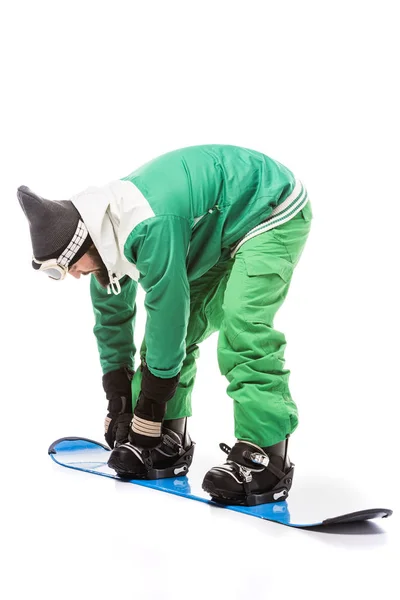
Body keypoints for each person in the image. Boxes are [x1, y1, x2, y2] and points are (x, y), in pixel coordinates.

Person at [17, 144, 312, 506]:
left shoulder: (146, 226)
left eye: (68, 266)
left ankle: (265, 458)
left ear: (83, 242)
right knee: (171, 340)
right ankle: (165, 440)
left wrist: (150, 405)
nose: (74, 276)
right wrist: (120, 399)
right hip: (219, 226)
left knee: (242, 326)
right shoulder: (104, 237)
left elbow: (166, 312)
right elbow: (113, 319)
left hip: (270, 208)